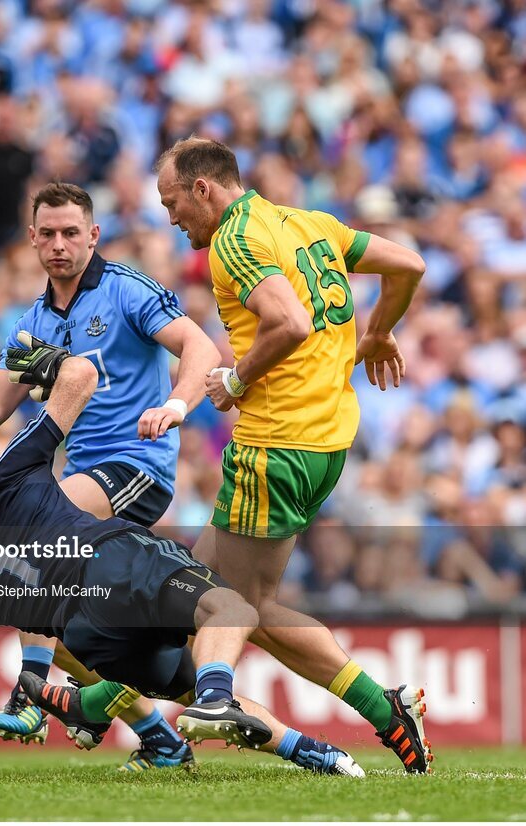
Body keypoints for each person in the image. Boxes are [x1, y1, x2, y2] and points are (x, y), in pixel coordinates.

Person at [0, 346, 364, 777]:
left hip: (91, 636)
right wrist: (26, 357)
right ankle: (212, 700)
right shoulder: (10, 473)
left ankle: (315, 755)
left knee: (184, 688)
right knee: (233, 610)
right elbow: (81, 374)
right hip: (117, 565)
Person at [0, 182, 221, 771]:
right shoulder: (35, 323)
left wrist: (175, 406)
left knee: (23, 546)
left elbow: (199, 348)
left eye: (71, 232)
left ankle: (29, 698)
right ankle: (158, 735)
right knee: (58, 621)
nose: (59, 244)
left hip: (134, 468)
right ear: (31, 240)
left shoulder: (125, 292)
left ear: (93, 235)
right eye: (47, 233)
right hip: (76, 488)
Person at [155, 137, 433, 773]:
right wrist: (382, 329)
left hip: (276, 443)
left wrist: (235, 379)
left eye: (173, 204)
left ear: (204, 189)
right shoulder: (310, 224)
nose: (172, 220)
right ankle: (146, 727)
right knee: (192, 592)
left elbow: (289, 323)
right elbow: (410, 264)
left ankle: (218, 700)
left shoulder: (233, 239)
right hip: (327, 439)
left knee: (232, 602)